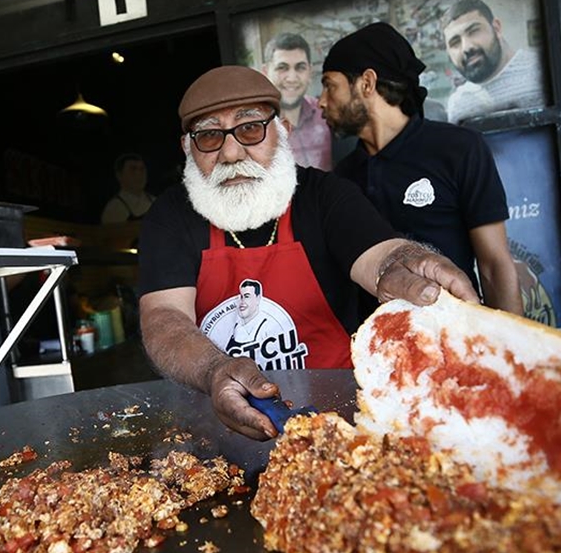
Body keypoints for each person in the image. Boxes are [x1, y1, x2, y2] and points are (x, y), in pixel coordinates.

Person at [138, 65, 480, 440]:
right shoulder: (170, 217)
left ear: (282, 132)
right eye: (208, 136)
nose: (231, 153)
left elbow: (379, 256)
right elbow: (163, 316)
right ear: (188, 148)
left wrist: (403, 264)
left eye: (250, 128)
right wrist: (213, 370)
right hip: (225, 433)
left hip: (341, 427)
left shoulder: (325, 197)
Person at [319, 22, 523, 316]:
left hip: (456, 334)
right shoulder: (342, 178)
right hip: (377, 348)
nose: (321, 101)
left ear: (367, 83)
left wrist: (512, 351)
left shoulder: (458, 149)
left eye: (329, 85)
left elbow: (494, 264)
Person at [440, 0, 546, 125]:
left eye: (474, 31)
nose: (467, 47)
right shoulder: (459, 104)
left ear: (496, 28)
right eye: (455, 42)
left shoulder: (545, 71)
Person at [261, 32, 333, 170]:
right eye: (282, 68)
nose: (292, 78)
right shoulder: (255, 126)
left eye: (300, 67)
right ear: (265, 72)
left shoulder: (325, 113)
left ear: (310, 72)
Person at [100, 153, 156, 223]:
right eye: (133, 169)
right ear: (119, 175)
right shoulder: (114, 209)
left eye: (142, 169)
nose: (139, 174)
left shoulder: (155, 202)